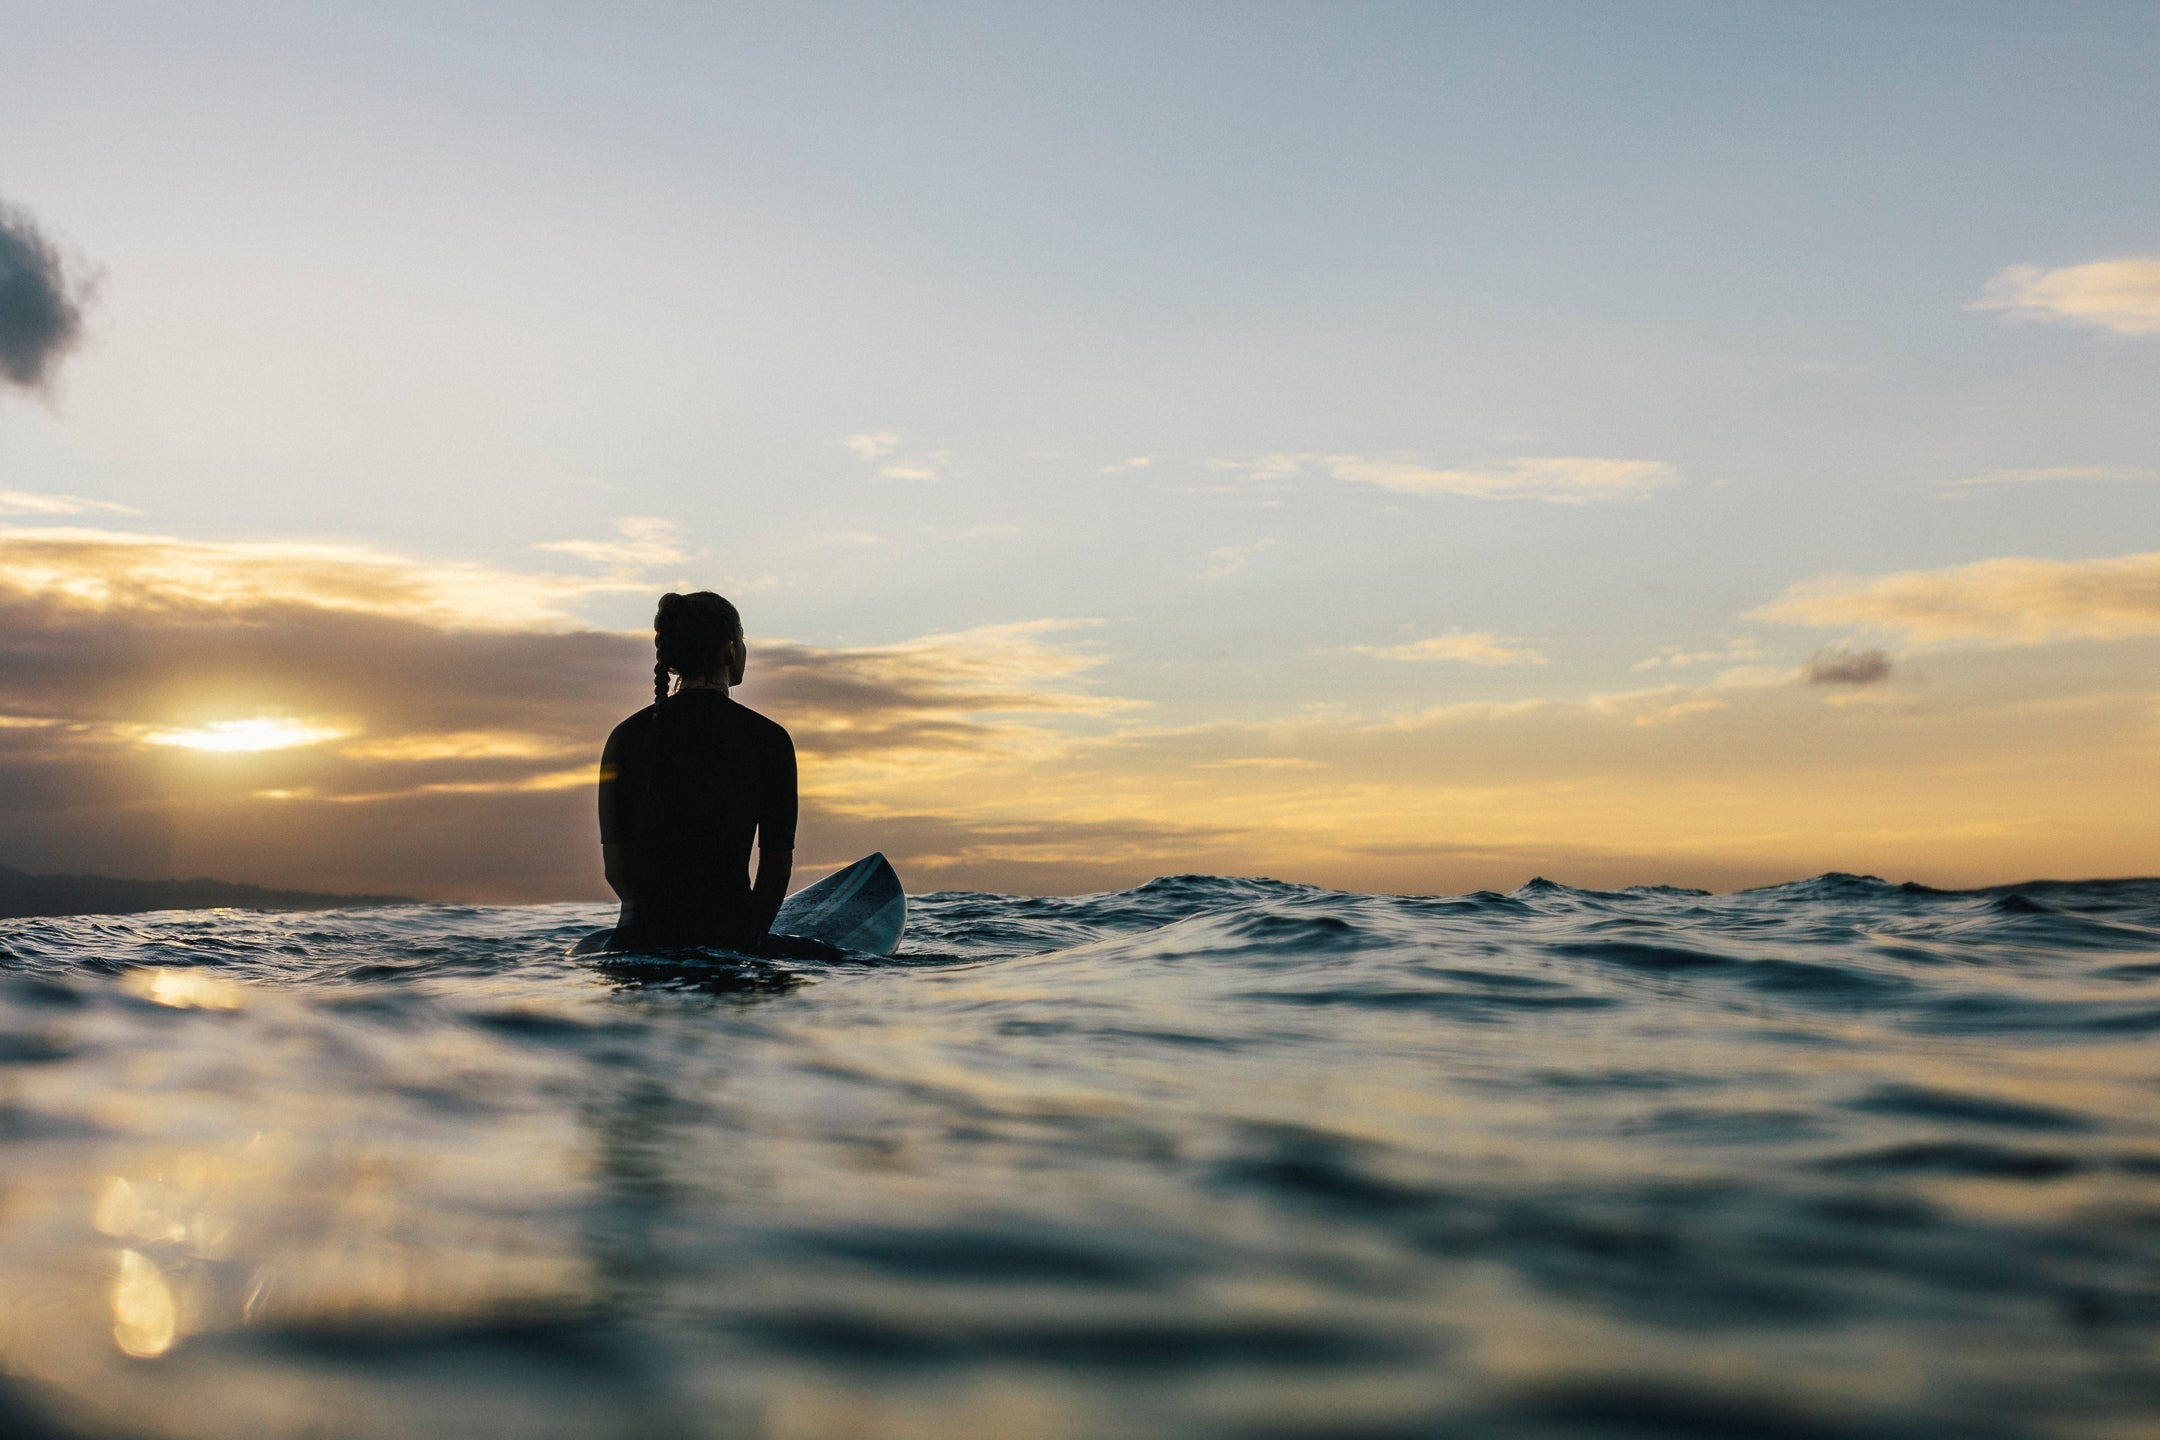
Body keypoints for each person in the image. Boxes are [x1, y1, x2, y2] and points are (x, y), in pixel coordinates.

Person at [596, 591, 796, 952]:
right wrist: (749, 938)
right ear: (730, 649)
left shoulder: (624, 738)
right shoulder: (768, 740)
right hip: (728, 933)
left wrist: (654, 921)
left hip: (637, 941)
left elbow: (615, 867)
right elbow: (776, 869)